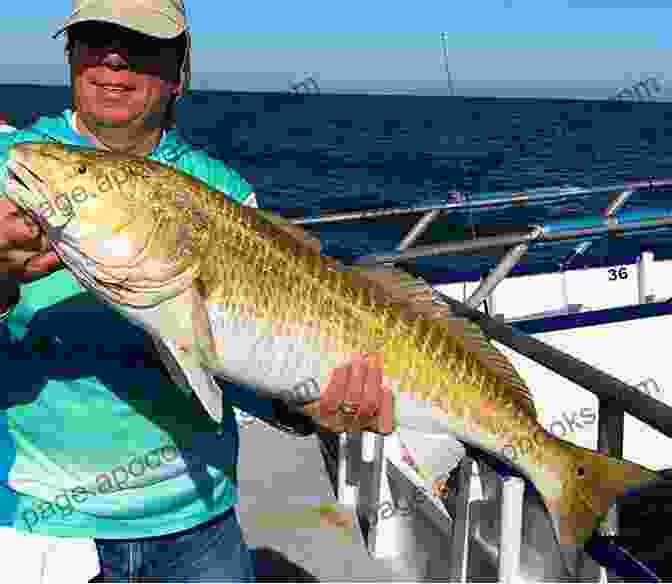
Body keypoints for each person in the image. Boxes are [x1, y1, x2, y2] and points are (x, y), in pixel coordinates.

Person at [0, 1, 393, 581]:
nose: (112, 58)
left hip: (200, 526)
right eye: (94, 38)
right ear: (69, 55)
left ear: (180, 71)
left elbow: (244, 367)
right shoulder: (19, 166)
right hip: (40, 531)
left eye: (140, 45)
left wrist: (307, 404)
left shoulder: (228, 195)